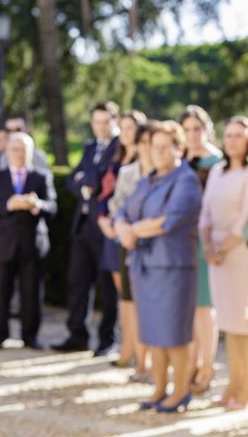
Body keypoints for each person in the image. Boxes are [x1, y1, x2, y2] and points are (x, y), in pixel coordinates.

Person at [116, 120, 201, 413]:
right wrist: (121, 227)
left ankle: (181, 391)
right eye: (155, 147)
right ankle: (159, 387)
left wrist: (131, 231)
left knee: (174, 333)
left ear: (179, 148)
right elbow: (123, 212)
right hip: (144, 267)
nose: (160, 152)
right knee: (153, 332)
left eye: (166, 147)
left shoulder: (186, 180)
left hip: (172, 268)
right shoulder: (146, 180)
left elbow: (169, 221)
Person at [52, 102, 119, 355]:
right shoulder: (90, 146)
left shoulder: (119, 147)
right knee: (78, 282)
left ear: (114, 121)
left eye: (105, 122)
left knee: (107, 286)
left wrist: (88, 179)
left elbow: (101, 179)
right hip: (81, 225)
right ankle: (77, 335)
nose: (100, 127)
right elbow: (73, 179)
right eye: (96, 122)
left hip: (104, 225)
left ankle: (107, 340)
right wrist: (86, 182)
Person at [0, 132, 54, 349]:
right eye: (15, 149)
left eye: (24, 150)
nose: (19, 154)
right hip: (3, 244)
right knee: (0, 292)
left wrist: (37, 205)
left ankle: (30, 336)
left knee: (32, 294)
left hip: (32, 245)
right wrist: (8, 205)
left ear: (31, 153)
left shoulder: (41, 177)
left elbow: (53, 207)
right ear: (7, 152)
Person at [199, 116, 248, 410]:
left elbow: (244, 221)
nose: (232, 141)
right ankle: (234, 381)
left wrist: (223, 247)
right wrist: (207, 245)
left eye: (238, 136)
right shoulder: (217, 171)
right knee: (229, 323)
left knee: (243, 322)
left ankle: (245, 386)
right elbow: (205, 211)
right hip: (215, 254)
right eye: (228, 135)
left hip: (238, 253)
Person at [96, 110, 146, 366]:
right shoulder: (116, 160)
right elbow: (104, 195)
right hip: (111, 231)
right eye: (122, 127)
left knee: (133, 295)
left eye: (130, 127)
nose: (125, 132)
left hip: (129, 232)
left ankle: (139, 350)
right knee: (123, 296)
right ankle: (128, 348)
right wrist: (103, 218)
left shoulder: (144, 161)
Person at [107, 121, 156, 382]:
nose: (147, 148)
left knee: (149, 303)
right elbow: (116, 206)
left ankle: (150, 361)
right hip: (127, 245)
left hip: (155, 247)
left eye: (151, 142)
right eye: (143, 142)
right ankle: (136, 357)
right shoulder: (128, 173)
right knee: (128, 301)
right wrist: (123, 226)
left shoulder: (167, 175)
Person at [179, 104, 222, 395]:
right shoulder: (180, 159)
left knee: (205, 309)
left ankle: (208, 366)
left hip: (207, 241)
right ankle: (192, 363)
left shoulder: (218, 162)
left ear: (206, 129)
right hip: (181, 243)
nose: (193, 134)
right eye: (187, 129)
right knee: (190, 309)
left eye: (197, 128)